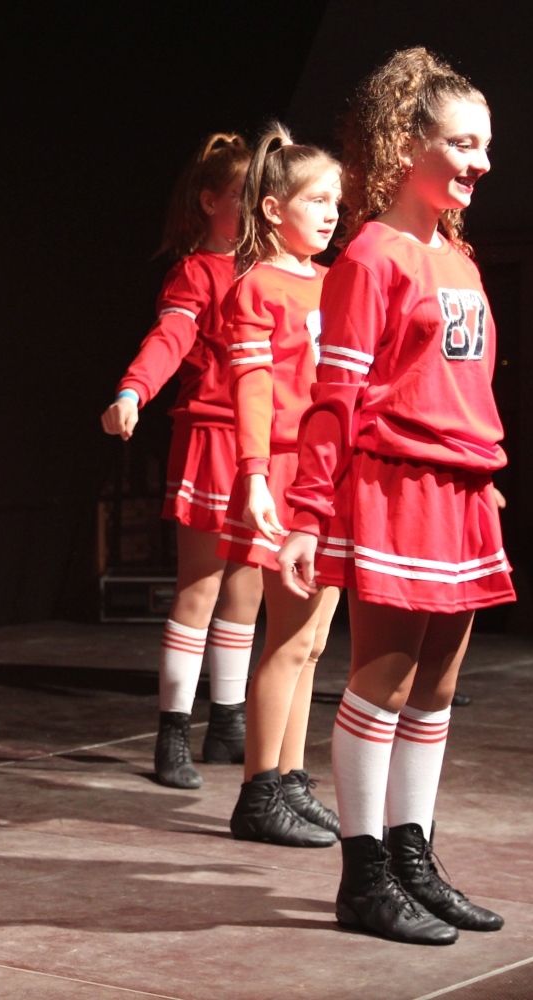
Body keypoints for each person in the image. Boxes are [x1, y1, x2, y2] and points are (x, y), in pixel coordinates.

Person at [277, 48, 513, 944]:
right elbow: (332, 399)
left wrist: (483, 476)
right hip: (396, 486)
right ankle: (363, 874)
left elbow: (466, 385)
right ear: (405, 144)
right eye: (462, 143)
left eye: (485, 145)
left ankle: (415, 860)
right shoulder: (370, 257)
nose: (480, 162)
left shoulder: (459, 258)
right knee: (384, 681)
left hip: (461, 488)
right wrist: (309, 512)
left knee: (439, 688)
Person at [100, 133, 261, 788]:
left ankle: (228, 723)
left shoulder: (275, 272)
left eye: (263, 194)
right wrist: (132, 390)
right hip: (213, 438)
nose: (256, 207)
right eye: (242, 195)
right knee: (201, 588)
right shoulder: (198, 271)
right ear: (210, 201)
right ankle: (173, 732)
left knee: (247, 592)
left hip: (263, 446)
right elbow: (171, 336)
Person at [216, 126, 343, 849]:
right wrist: (256, 474)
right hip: (288, 473)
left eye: (336, 201)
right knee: (289, 639)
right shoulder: (257, 287)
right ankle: (258, 792)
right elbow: (255, 388)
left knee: (315, 642)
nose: (331, 213)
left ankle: (291, 780)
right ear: (272, 208)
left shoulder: (333, 281)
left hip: (330, 472)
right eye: (315, 200)